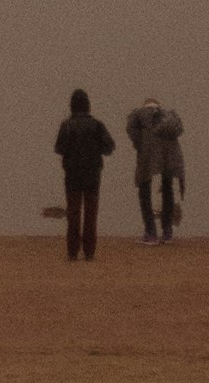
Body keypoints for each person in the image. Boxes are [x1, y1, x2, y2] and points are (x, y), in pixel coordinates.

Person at [54, 90, 114, 261]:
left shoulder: (67, 125)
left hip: (72, 174)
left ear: (72, 105)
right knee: (90, 214)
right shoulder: (97, 125)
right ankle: (89, 252)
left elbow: (59, 148)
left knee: (73, 213)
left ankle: (72, 252)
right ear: (88, 105)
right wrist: (96, 150)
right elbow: (109, 147)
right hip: (93, 174)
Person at [126, 95, 184, 243]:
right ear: (158, 105)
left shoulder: (138, 115)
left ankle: (150, 233)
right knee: (167, 190)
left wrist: (142, 146)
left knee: (144, 189)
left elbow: (133, 135)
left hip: (148, 156)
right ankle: (167, 232)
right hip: (171, 159)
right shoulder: (170, 118)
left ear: (145, 105)